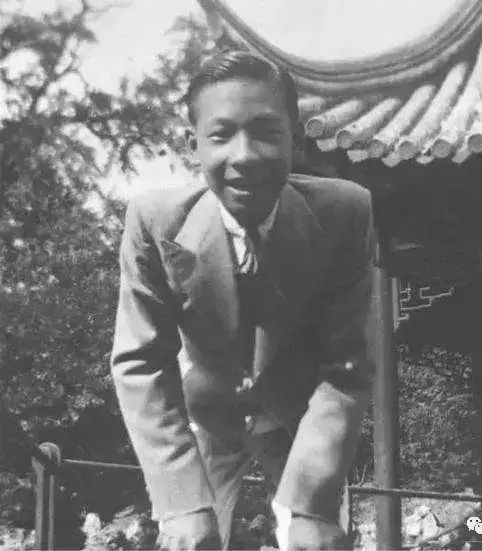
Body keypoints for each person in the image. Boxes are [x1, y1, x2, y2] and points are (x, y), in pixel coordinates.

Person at [111, 50, 375, 550]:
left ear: (295, 140)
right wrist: (182, 504)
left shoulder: (345, 211)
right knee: (188, 539)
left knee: (317, 541)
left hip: (302, 419)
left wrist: (311, 506)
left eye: (266, 132)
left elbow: (347, 365)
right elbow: (141, 361)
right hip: (207, 416)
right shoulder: (153, 222)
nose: (245, 155)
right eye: (221, 134)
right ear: (193, 146)